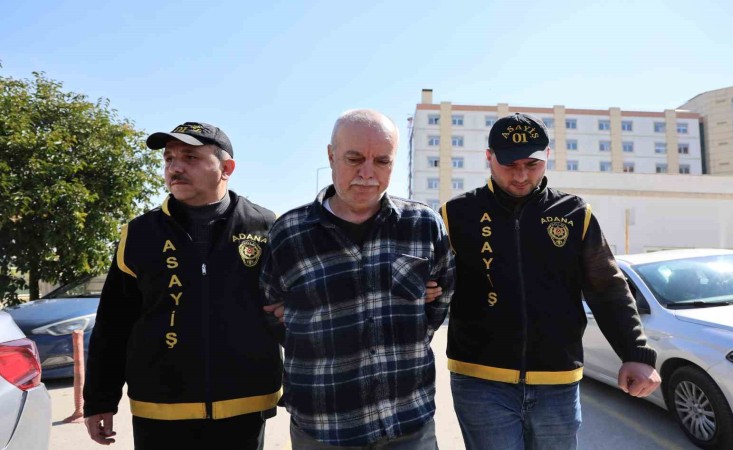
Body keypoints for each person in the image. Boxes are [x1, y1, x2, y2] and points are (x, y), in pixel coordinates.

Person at [440, 113, 662, 449]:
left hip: (557, 380)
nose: (521, 175)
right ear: (488, 157)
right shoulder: (455, 214)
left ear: (547, 155)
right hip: (480, 380)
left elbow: (607, 287)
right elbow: (433, 287)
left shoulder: (575, 213)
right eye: (509, 164)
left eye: (532, 164)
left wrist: (635, 353)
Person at [260, 109, 456, 449]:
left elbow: (442, 296)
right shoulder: (289, 233)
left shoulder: (423, 225)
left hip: (408, 421)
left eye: (382, 161)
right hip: (324, 425)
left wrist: (407, 335)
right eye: (354, 159)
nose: (367, 173)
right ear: (331, 156)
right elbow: (269, 307)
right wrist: (309, 330)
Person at [83, 122, 282, 450]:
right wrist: (99, 399)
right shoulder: (139, 235)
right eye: (169, 159)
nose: (175, 167)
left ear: (226, 168)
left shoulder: (265, 226)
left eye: (190, 157)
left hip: (245, 403)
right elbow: (113, 324)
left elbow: (289, 309)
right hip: (159, 407)